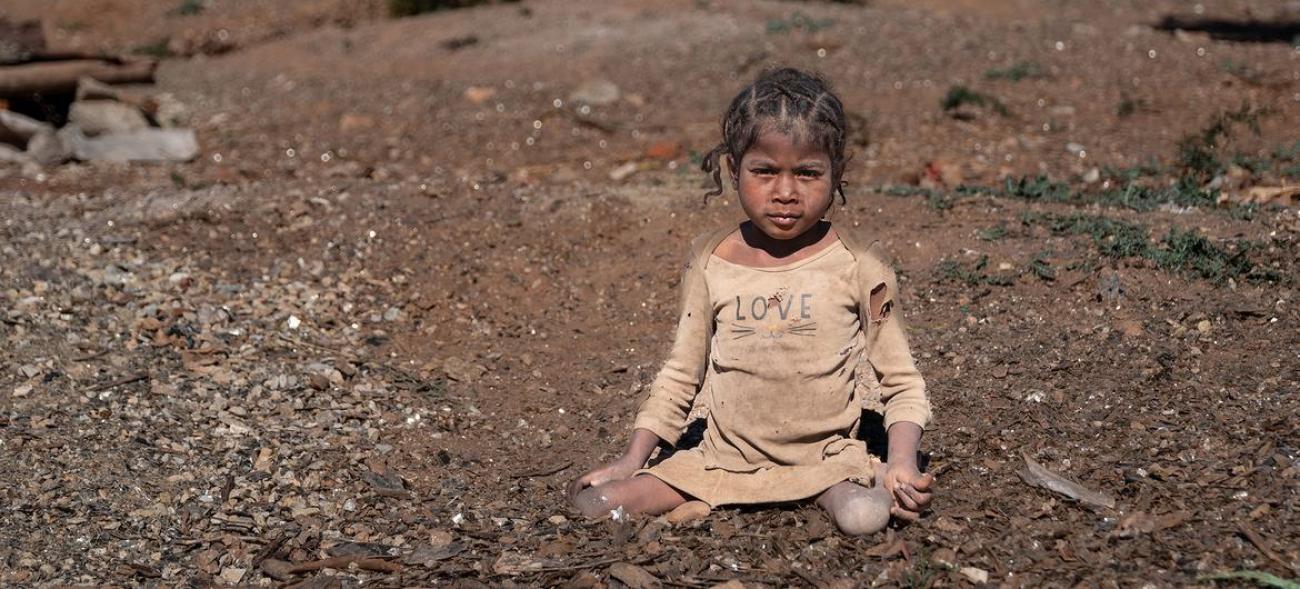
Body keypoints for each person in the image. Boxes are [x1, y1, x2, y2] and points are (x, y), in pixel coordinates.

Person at [566, 68, 934, 535]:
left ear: (836, 173)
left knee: (864, 516)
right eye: (764, 171)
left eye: (807, 173)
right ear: (733, 170)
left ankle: (867, 483)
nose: (785, 193)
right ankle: (698, 499)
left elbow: (901, 380)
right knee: (593, 503)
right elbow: (681, 373)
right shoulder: (711, 260)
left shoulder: (858, 265)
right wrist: (631, 460)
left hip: (823, 463)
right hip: (720, 462)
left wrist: (900, 462)